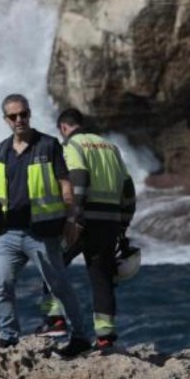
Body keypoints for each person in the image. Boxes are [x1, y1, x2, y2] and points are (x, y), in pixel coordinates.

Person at [0, 94, 92, 357]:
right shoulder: (2, 149)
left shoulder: (48, 145)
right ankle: (9, 335)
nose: (19, 120)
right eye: (13, 116)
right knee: (1, 283)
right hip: (9, 232)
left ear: (29, 114)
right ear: (6, 120)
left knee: (59, 286)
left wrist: (71, 219)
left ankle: (81, 336)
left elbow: (65, 185)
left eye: (23, 114)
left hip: (42, 232)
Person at [36, 108, 137, 351]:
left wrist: (74, 218)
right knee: (102, 278)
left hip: (83, 220)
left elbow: (79, 179)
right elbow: (128, 188)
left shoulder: (73, 146)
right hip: (109, 223)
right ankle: (105, 336)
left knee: (51, 265)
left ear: (63, 127)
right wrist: (123, 224)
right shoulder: (110, 147)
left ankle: (55, 320)